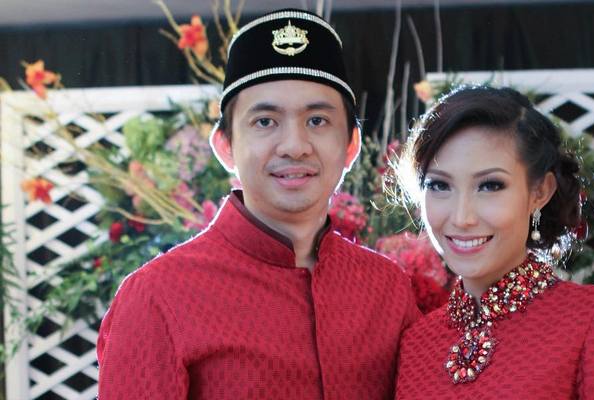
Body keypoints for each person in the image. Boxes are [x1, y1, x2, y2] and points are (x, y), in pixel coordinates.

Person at [96, 9, 420, 399]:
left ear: (351, 145)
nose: (295, 146)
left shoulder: (387, 289)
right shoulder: (156, 297)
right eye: (265, 121)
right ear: (225, 146)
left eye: (317, 120)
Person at [393, 86, 594, 399]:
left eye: (490, 186)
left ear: (540, 192)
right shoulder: (415, 343)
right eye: (439, 185)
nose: (462, 217)